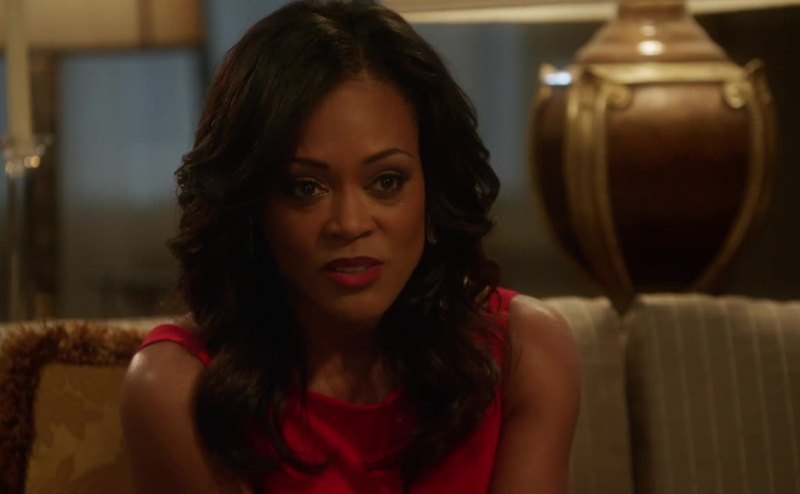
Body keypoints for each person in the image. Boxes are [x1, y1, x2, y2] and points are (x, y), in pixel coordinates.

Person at [119, 1, 580, 492]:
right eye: (305, 188)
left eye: (386, 181)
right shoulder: (177, 386)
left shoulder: (526, 352)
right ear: (251, 205)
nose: (350, 224)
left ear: (433, 187)